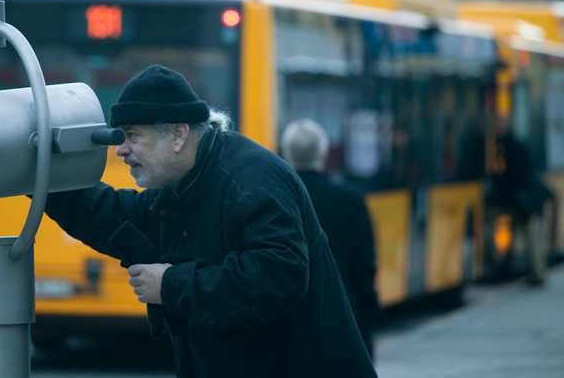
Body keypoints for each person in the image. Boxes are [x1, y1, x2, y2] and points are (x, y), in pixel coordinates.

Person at [42, 65, 376, 378]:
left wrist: (172, 285)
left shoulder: (251, 180)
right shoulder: (186, 186)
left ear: (177, 135)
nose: (122, 150)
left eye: (132, 135)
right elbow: (113, 216)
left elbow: (279, 275)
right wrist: (45, 177)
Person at [281, 119, 380, 360]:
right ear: (323, 154)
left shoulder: (275, 199)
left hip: (290, 327)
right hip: (344, 321)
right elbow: (365, 265)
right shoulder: (352, 200)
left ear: (285, 154)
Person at [487, 116, 553, 285]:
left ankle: (531, 272)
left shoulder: (507, 148)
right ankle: (530, 271)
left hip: (522, 203)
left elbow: (510, 178)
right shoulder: (510, 146)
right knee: (519, 235)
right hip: (518, 202)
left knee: (524, 235)